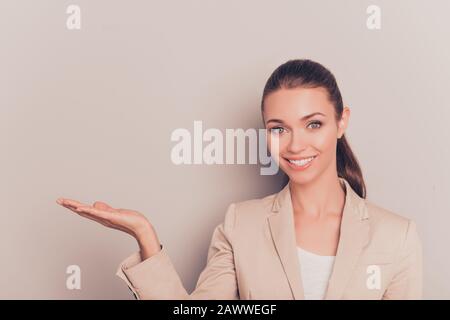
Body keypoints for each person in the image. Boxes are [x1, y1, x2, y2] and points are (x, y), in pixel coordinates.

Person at [56, 59, 422, 300]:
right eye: (279, 129)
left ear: (341, 122)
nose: (296, 145)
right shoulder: (240, 224)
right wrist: (145, 235)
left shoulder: (396, 236)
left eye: (314, 124)